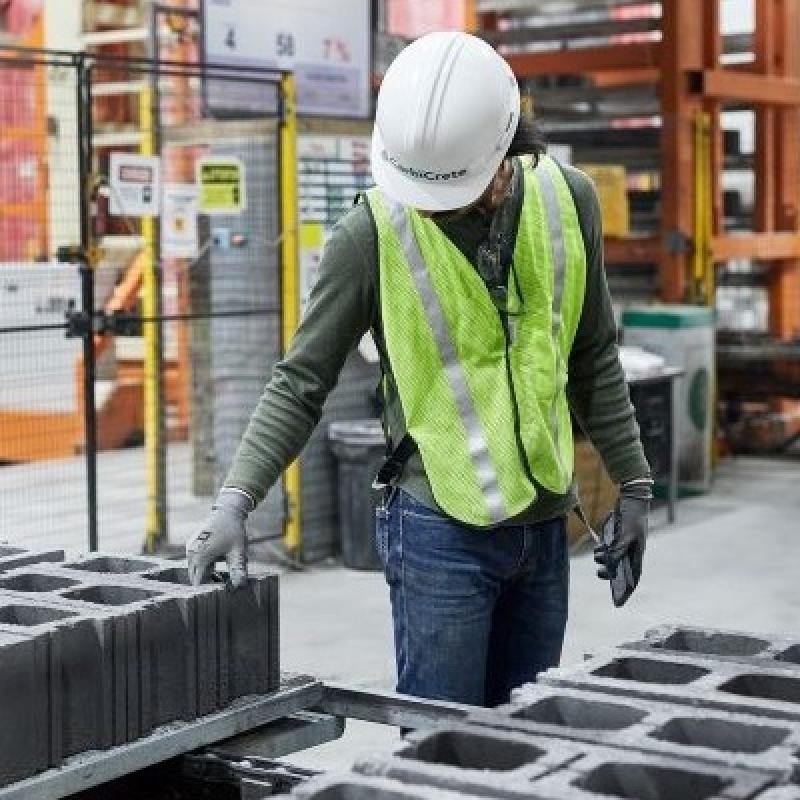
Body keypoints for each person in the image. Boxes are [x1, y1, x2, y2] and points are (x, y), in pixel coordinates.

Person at [187, 31, 652, 708]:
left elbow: (592, 355)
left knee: (526, 740)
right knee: (438, 753)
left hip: (547, 528)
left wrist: (633, 485)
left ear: (505, 151)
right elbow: (300, 380)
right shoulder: (370, 233)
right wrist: (236, 501)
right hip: (438, 531)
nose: (432, 209)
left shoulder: (567, 201)